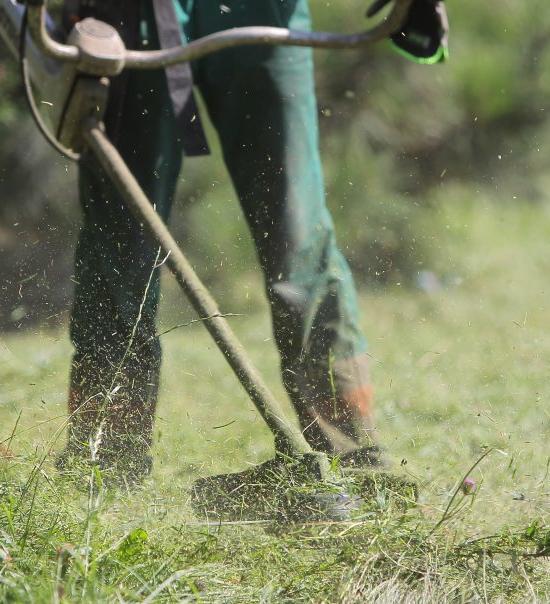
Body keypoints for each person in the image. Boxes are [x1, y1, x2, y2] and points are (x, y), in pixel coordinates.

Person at [58, 0, 445, 483]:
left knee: (299, 237)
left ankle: (352, 456)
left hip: (263, 9)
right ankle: (104, 461)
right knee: (121, 241)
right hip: (136, 10)